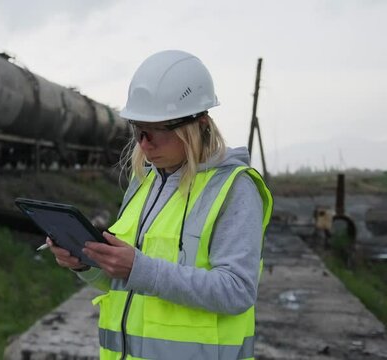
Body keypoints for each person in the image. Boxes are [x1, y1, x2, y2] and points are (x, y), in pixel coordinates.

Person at [47, 50, 273, 360]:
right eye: (138, 131)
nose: (143, 144)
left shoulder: (234, 189)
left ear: (199, 124)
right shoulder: (146, 184)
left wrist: (141, 268)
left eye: (155, 132)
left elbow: (237, 290)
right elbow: (125, 278)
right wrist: (86, 264)